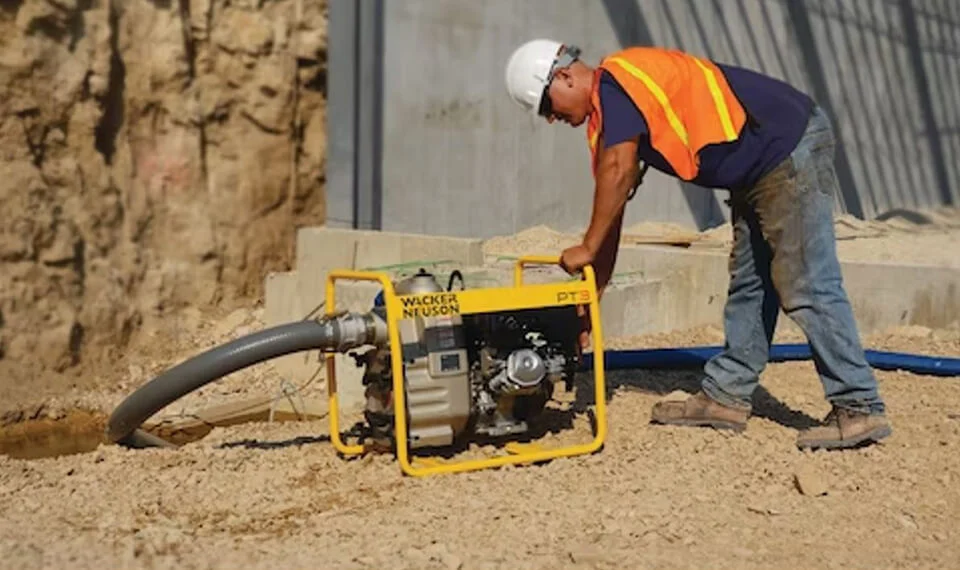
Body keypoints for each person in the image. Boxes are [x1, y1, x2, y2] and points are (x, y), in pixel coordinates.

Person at [503, 39, 892, 450]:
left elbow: (616, 175)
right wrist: (589, 301)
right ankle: (727, 395)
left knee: (805, 281)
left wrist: (585, 247)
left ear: (563, 77)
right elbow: (612, 214)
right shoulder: (614, 113)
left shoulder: (617, 83)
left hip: (786, 144)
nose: (551, 119)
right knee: (750, 282)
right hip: (759, 165)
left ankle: (857, 404)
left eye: (547, 107)